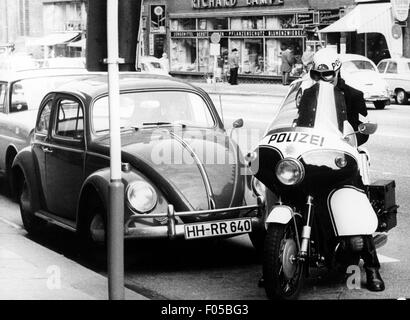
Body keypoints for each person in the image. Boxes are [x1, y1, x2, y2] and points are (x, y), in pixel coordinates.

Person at [301, 48, 384, 292]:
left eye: (326, 75)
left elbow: (361, 133)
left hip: (341, 159)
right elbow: (299, 124)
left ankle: (371, 267)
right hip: (316, 155)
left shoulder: (353, 95)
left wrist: (353, 138)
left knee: (355, 202)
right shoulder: (306, 94)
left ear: (337, 72)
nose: (321, 80)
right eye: (316, 75)